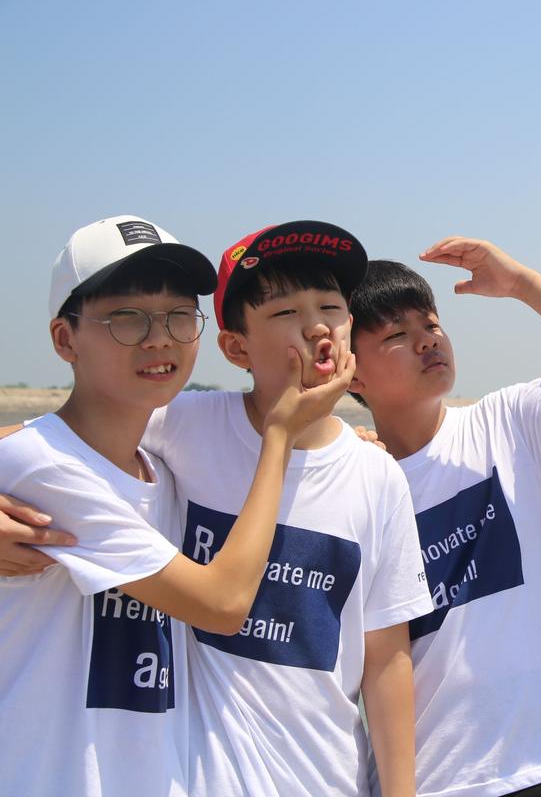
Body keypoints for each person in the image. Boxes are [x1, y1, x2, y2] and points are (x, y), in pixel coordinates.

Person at [0, 215, 347, 795]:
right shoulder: (44, 467)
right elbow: (223, 605)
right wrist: (280, 437)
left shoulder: (161, 472)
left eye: (180, 315)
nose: (159, 338)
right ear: (65, 339)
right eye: (127, 318)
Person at [346, 237, 541, 797]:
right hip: (439, 780)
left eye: (432, 324)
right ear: (353, 376)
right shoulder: (354, 483)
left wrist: (523, 285)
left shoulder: (511, 421)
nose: (427, 341)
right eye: (397, 335)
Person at [143, 221, 433, 795]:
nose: (318, 325)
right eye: (284, 312)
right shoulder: (186, 425)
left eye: (331, 306)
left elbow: (385, 659)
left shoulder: (377, 476)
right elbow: (58, 441)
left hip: (326, 777)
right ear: (236, 347)